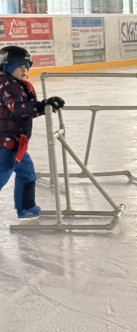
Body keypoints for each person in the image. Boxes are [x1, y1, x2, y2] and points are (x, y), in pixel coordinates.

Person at [0, 45, 64, 220]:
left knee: (27, 173)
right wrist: (41, 105)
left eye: (26, 66)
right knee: (2, 176)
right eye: (19, 66)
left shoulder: (18, 85)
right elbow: (17, 108)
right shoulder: (6, 84)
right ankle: (25, 207)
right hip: (4, 143)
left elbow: (26, 112)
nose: (24, 70)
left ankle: (26, 207)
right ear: (7, 67)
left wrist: (44, 107)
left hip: (16, 142)